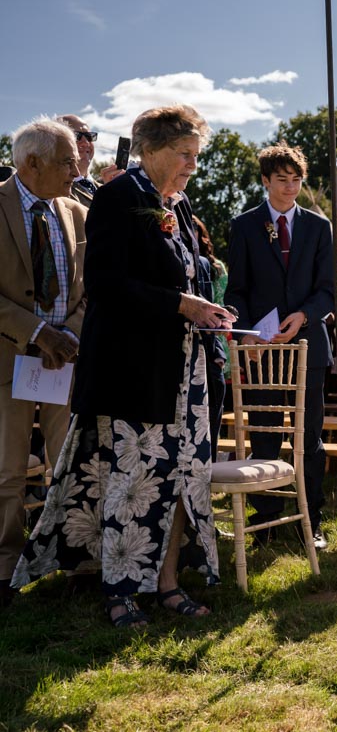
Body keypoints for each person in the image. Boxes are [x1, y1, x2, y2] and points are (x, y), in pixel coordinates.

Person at [14, 105, 229, 626]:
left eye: (196, 157)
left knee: (179, 479)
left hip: (183, 374)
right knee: (131, 485)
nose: (192, 166)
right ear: (150, 150)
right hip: (134, 372)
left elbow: (184, 276)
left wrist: (206, 308)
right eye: (185, 155)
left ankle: (168, 582)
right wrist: (181, 305)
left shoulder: (171, 205)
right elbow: (106, 285)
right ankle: (118, 591)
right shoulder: (116, 198)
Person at [225, 143, 336, 551]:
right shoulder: (244, 225)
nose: (290, 188)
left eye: (296, 180)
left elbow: (328, 291)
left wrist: (304, 316)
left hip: (309, 344)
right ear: (265, 181)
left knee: (308, 438)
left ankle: (313, 518)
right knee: (265, 437)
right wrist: (248, 332)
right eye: (282, 180)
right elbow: (236, 291)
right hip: (262, 349)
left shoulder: (319, 226)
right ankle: (266, 519)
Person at [0, 119, 88, 608]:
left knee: (68, 466)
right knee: (8, 472)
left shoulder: (76, 212)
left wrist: (68, 333)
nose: (76, 172)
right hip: (8, 359)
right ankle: (5, 567)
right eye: (67, 163)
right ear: (30, 163)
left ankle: (70, 559)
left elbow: (87, 286)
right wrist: (37, 332)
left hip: (62, 363)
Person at [191, 215, 230, 447]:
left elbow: (220, 301)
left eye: (194, 230)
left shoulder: (212, 266)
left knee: (214, 407)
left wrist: (218, 354)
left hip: (214, 339)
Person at [56, 115, 122, 206]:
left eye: (89, 136)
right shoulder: (56, 190)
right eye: (76, 136)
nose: (85, 143)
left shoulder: (107, 187)